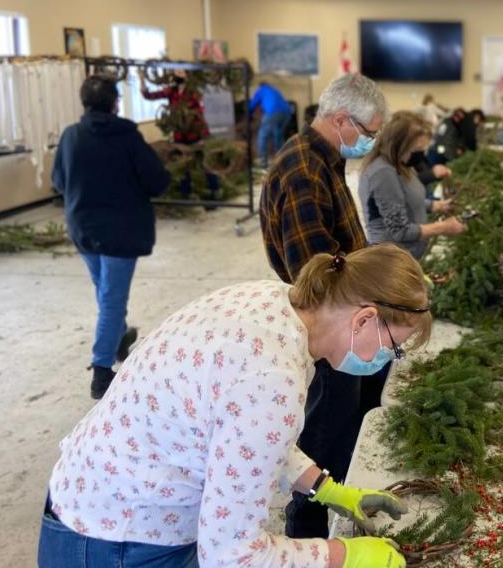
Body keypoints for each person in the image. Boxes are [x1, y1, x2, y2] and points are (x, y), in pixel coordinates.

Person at [40, 244, 429, 568]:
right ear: (364, 319)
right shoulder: (272, 378)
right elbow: (230, 555)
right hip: (118, 541)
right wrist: (345, 556)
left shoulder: (274, 301)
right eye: (393, 347)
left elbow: (242, 435)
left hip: (88, 498)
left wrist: (325, 489)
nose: (388, 358)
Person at [259, 72, 387, 540]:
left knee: (350, 419)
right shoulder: (302, 172)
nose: (369, 142)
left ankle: (340, 496)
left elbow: (341, 249)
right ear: (340, 120)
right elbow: (318, 272)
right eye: (368, 133)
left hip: (350, 312)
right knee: (329, 428)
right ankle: (307, 528)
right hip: (333, 322)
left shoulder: (326, 161)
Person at [52, 76, 170, 399]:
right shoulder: (128, 137)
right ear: (115, 103)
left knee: (106, 293)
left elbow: (58, 181)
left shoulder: (71, 136)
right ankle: (102, 372)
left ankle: (118, 338)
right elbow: (157, 180)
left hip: (84, 229)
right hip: (119, 231)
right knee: (112, 299)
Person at [359, 113, 466, 259]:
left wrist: (435, 205)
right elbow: (400, 230)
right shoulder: (384, 173)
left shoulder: (401, 164)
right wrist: (443, 227)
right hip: (392, 260)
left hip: (409, 256)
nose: (419, 155)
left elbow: (403, 200)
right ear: (399, 145)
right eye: (416, 150)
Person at [140, 68, 209, 144]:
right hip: (179, 132)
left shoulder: (193, 91)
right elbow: (149, 96)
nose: (178, 74)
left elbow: (200, 109)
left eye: (181, 72)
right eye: (176, 72)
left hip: (194, 131)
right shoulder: (171, 91)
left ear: (187, 75)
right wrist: (142, 80)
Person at [249, 81, 293, 168]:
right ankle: (282, 162)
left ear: (260, 86)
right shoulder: (275, 90)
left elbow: (252, 104)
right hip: (287, 113)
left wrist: (249, 114)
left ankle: (263, 162)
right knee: (278, 135)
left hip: (273, 112)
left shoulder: (261, 90)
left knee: (262, 136)